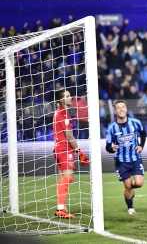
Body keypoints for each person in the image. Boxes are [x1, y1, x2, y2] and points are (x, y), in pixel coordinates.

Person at [106, 100, 147, 215]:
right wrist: (111, 148)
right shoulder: (111, 128)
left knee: (138, 183)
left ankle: (130, 190)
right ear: (115, 111)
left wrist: (141, 145)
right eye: (118, 108)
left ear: (126, 109)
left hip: (135, 158)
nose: (121, 109)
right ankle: (131, 207)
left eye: (123, 107)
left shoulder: (135, 122)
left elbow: (143, 133)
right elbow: (108, 146)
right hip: (121, 162)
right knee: (128, 186)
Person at [53, 89, 89, 219]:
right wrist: (79, 151)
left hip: (58, 148)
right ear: (61, 100)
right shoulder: (63, 114)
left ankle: (61, 207)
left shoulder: (59, 112)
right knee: (68, 178)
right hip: (64, 149)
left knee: (62, 178)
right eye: (67, 96)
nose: (71, 98)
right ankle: (61, 209)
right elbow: (69, 135)